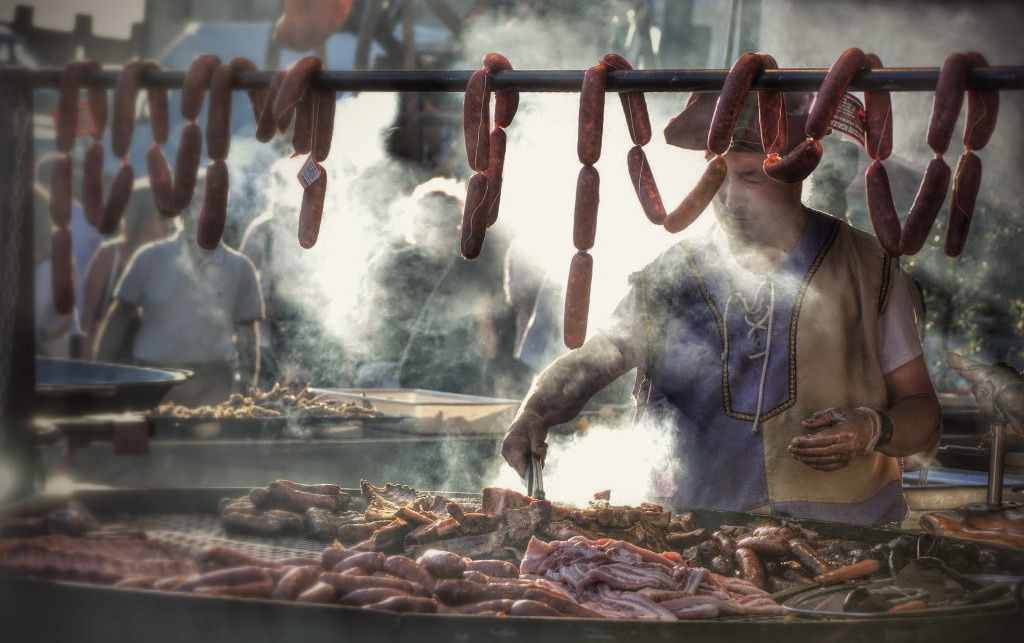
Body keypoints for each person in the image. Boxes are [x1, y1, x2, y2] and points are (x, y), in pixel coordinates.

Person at [501, 92, 942, 526]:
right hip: (694, 543)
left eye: (751, 178)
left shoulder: (867, 270)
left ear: (796, 174)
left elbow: (924, 413)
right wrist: (534, 411)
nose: (729, 200)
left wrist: (872, 429)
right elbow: (592, 363)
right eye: (717, 178)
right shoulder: (670, 276)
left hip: (848, 545)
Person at [93, 173, 264, 405]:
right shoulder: (149, 257)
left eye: (215, 205)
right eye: (197, 202)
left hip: (212, 382)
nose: (205, 212)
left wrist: (246, 390)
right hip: (152, 379)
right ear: (181, 209)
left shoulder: (240, 268)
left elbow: (247, 335)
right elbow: (118, 318)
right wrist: (101, 373)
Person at [355, 178, 525, 396]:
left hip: (458, 381)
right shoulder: (393, 267)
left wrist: (499, 375)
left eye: (447, 222)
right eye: (429, 222)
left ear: (459, 227)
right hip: (394, 376)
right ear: (415, 225)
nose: (438, 231)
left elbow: (490, 333)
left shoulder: (473, 269)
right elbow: (368, 324)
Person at [80, 177, 176, 360]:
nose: (169, 223)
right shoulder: (109, 255)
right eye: (161, 216)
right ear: (143, 216)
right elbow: (88, 318)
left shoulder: (167, 258)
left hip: (150, 362)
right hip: (110, 360)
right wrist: (90, 364)